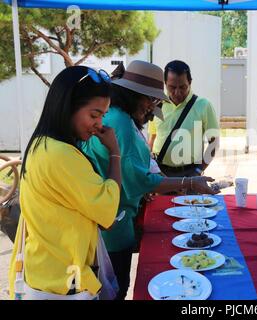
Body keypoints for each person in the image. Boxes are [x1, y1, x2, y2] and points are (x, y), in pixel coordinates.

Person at [83, 60, 218, 300]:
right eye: (151, 99)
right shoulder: (122, 123)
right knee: (116, 286)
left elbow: (141, 165)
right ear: (135, 95)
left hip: (111, 213)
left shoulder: (118, 116)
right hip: (113, 220)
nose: (153, 106)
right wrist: (188, 183)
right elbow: (138, 179)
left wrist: (190, 175)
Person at [8, 66, 121, 299]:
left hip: (44, 273)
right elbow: (107, 213)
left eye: (102, 116)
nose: (99, 125)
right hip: (63, 281)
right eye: (94, 115)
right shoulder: (62, 155)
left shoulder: (41, 144)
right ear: (69, 107)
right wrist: (115, 152)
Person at [148, 60, 220, 177]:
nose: (177, 92)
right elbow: (153, 138)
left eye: (182, 87)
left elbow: (214, 143)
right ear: (165, 83)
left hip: (190, 173)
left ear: (190, 82)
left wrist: (198, 170)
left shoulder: (203, 105)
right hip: (159, 173)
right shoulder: (157, 105)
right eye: (172, 87)